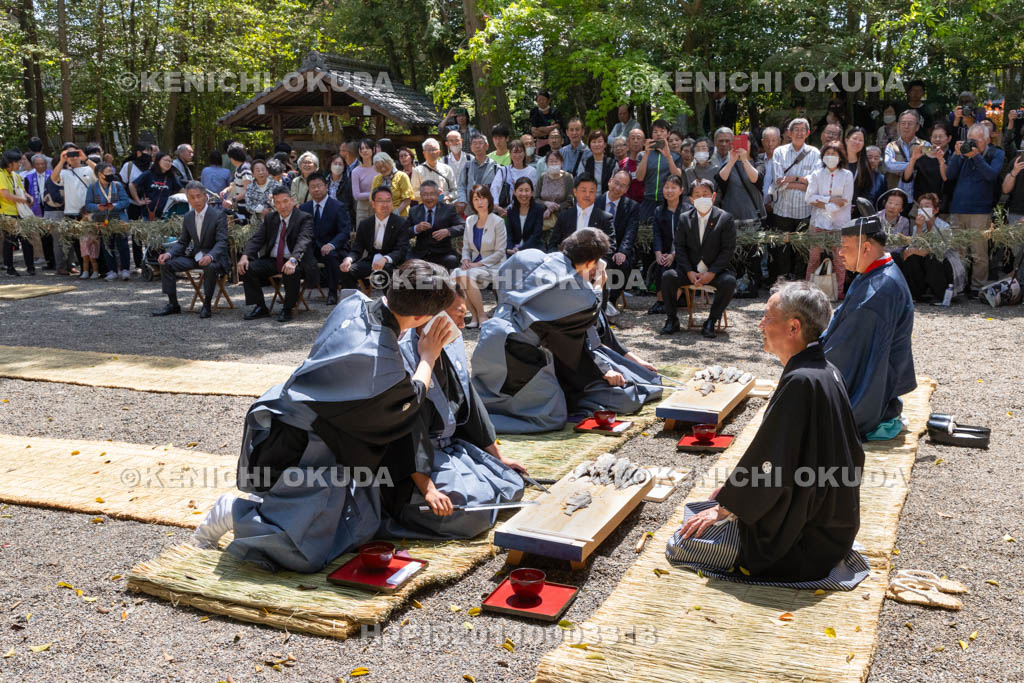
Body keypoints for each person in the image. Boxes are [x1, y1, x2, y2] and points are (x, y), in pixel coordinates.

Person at [191, 261, 457, 571]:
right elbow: (407, 403)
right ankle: (233, 512)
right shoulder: (377, 358)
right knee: (303, 553)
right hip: (302, 441)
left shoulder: (355, 303)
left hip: (304, 422)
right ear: (421, 317)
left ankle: (268, 513)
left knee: (356, 525)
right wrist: (428, 356)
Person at [667, 281, 865, 584]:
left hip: (797, 544)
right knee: (701, 511)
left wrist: (725, 510)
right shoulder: (826, 370)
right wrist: (728, 499)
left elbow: (771, 465)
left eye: (767, 317)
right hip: (832, 528)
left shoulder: (801, 381)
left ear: (793, 327)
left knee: (680, 543)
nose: (760, 324)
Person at [471, 228, 661, 433]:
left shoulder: (529, 256)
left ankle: (477, 414)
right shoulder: (581, 293)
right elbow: (588, 312)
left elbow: (502, 283)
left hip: (491, 338)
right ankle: (474, 426)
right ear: (591, 262)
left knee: (496, 396)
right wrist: (597, 286)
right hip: (518, 353)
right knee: (550, 418)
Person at [381, 284, 527, 539]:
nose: (462, 326)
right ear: (433, 314)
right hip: (412, 462)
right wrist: (427, 489)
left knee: (512, 485)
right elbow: (404, 428)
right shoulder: (400, 353)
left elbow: (470, 401)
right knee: (470, 514)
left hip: (449, 449)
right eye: (459, 315)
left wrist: (498, 457)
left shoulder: (452, 342)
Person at [821, 215, 916, 440]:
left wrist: (812, 355)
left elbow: (847, 349)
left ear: (866, 247)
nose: (840, 253)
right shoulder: (877, 271)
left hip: (878, 378)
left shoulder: (879, 290)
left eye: (845, 247)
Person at [660, 178, 737, 337]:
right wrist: (688, 271)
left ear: (713, 196)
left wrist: (712, 272)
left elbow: (727, 250)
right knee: (668, 276)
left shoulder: (725, 219)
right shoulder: (684, 218)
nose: (702, 198)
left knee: (729, 282)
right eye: (697, 194)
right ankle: (672, 319)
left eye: (705, 194)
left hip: (715, 272)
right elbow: (679, 247)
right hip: (690, 271)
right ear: (691, 199)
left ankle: (711, 321)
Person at [152, 181, 230, 318]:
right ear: (188, 199)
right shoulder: (188, 217)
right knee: (166, 264)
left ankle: (207, 305)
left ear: (205, 196)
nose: (196, 200)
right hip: (196, 256)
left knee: (210, 266)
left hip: (216, 258)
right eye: (192, 197)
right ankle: (173, 304)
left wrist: (211, 256)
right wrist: (169, 254)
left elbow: (222, 242)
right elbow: (182, 242)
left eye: (199, 196)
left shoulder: (218, 215)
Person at [238, 186, 315, 323]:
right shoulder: (270, 218)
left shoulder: (304, 217)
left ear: (291, 200)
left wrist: (293, 259)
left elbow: (304, 241)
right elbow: (257, 239)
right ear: (274, 204)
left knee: (290, 270)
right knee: (246, 268)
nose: (282, 206)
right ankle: (260, 307)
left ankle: (288, 308)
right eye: (278, 203)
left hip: (296, 260)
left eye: (285, 201)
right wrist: (245, 256)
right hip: (273, 260)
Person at [946, 123, 1004, 291]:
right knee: (959, 252)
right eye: (970, 140)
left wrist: (976, 156)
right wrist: (957, 155)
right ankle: (959, 286)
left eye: (977, 140)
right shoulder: (963, 154)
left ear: (986, 139)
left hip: (980, 211)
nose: (973, 143)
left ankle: (978, 288)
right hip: (958, 209)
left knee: (979, 253)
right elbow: (949, 175)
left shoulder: (996, 153)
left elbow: (991, 175)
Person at [769, 118, 820, 281]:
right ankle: (782, 281)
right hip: (782, 208)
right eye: (795, 129)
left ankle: (799, 282)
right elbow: (779, 180)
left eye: (802, 129)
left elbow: (814, 182)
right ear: (789, 133)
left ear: (808, 133)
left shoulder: (815, 153)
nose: (799, 132)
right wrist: (802, 181)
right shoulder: (779, 152)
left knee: (802, 248)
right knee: (782, 248)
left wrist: (792, 179)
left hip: (805, 209)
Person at [804, 142, 854, 298]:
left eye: (834, 154)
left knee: (840, 259)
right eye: (828, 153)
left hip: (839, 223)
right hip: (818, 222)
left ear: (840, 157)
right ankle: (808, 291)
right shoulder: (816, 174)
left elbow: (845, 200)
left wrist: (822, 203)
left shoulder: (847, 175)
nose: (831, 157)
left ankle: (838, 291)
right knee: (813, 258)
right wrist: (830, 199)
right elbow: (809, 198)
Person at [453, 185, 507, 328]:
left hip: (494, 265)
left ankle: (482, 315)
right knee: (457, 274)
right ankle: (475, 316)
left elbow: (500, 252)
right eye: (476, 199)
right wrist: (465, 260)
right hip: (473, 265)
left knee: (467, 275)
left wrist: (478, 264)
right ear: (472, 202)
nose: (480, 202)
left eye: (482, 198)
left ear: (489, 200)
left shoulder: (497, 221)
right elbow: (466, 247)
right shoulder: (470, 220)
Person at [340, 186, 410, 291]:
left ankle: (390, 303)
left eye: (388, 201)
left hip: (393, 263)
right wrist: (348, 259)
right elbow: (357, 249)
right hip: (372, 261)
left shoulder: (401, 223)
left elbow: (402, 250)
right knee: (347, 269)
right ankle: (353, 301)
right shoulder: (365, 224)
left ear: (392, 203)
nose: (385, 204)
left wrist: (386, 259)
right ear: (373, 204)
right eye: (380, 201)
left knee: (385, 269)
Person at [898, 193, 966, 302]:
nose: (923, 209)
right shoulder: (917, 226)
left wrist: (921, 251)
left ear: (935, 210)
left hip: (944, 263)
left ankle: (939, 294)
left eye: (927, 206)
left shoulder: (944, 227)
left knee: (934, 258)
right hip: (924, 260)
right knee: (911, 258)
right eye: (921, 206)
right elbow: (914, 246)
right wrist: (919, 228)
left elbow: (941, 249)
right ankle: (918, 294)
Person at [299, 174, 350, 305]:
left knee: (331, 256)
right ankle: (295, 295)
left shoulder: (338, 206)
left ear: (326, 187)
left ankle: (332, 293)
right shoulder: (304, 208)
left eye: (319, 186)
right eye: (313, 187)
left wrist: (331, 245)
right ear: (309, 189)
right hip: (312, 249)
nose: (316, 190)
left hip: (333, 248)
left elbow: (344, 232)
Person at [595, 170, 639, 311]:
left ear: (626, 189)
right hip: (598, 248)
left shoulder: (632, 206)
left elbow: (630, 232)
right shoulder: (596, 202)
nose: (618, 188)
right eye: (616, 183)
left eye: (623, 186)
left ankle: (611, 300)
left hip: (619, 247)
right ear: (610, 181)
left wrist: (622, 251)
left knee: (623, 263)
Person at [83, 162, 132, 281]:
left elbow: (126, 201)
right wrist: (97, 207)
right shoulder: (93, 187)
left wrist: (114, 205)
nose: (111, 174)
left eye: (112, 172)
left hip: (119, 219)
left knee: (123, 245)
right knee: (107, 246)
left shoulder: (118, 185)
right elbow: (88, 204)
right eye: (108, 172)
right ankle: (112, 271)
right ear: (100, 174)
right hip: (102, 220)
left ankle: (125, 270)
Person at [647, 174, 687, 316]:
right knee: (660, 266)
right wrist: (658, 253)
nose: (669, 191)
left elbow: (685, 237)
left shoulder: (687, 210)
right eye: (666, 187)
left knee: (676, 267)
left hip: (683, 253)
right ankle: (660, 301)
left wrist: (674, 254)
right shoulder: (659, 210)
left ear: (681, 190)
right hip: (665, 251)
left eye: (673, 187)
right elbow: (656, 234)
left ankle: (670, 302)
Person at [408, 180, 465, 271]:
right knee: (405, 261)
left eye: (432, 194)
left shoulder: (448, 209)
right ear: (421, 196)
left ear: (438, 195)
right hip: (420, 253)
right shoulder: (414, 211)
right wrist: (416, 229)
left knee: (452, 260)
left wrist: (448, 231)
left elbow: (463, 225)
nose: (429, 197)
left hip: (443, 253)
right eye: (425, 194)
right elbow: (404, 232)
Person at [635, 119, 682, 227]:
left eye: (662, 131)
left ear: (668, 134)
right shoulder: (642, 155)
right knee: (646, 234)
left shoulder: (676, 156)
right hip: (648, 200)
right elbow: (639, 177)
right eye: (655, 131)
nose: (658, 134)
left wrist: (668, 156)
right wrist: (647, 153)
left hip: (667, 201)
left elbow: (677, 177)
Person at [902, 121, 953, 212]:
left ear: (949, 138)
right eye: (934, 136)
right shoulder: (921, 155)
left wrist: (941, 160)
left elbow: (947, 179)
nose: (937, 139)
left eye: (941, 136)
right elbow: (906, 178)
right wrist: (913, 159)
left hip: (941, 204)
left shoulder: (951, 157)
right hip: (920, 202)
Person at [0, 150, 35, 276]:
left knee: (27, 239)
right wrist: (23, 200)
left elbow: (22, 190)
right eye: (17, 161)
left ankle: (30, 266)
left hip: (21, 212)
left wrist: (29, 197)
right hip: (7, 213)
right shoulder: (1, 175)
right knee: (10, 241)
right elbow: (5, 195)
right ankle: (10, 267)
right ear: (9, 163)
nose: (20, 164)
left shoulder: (14, 175)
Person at [489, 140, 537, 217]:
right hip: (505, 210)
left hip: (527, 211)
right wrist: (497, 206)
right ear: (510, 154)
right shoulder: (503, 171)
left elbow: (534, 192)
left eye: (520, 152)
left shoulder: (532, 171)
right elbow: (494, 188)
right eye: (515, 152)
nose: (518, 155)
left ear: (524, 153)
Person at [129, 152, 181, 220]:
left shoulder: (171, 176)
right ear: (158, 161)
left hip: (165, 215)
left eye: (170, 161)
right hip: (148, 214)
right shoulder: (148, 174)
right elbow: (132, 185)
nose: (168, 163)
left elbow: (181, 189)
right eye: (166, 160)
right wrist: (138, 201)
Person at [883, 110, 925, 193]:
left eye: (910, 123)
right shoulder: (891, 146)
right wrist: (914, 165)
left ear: (917, 127)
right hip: (895, 195)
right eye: (903, 123)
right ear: (898, 125)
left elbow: (927, 166)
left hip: (917, 195)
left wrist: (899, 166)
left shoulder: (925, 145)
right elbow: (889, 165)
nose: (906, 126)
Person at [456, 133, 499, 215]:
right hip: (471, 210)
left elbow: (499, 189)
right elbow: (461, 186)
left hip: (490, 210)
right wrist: (463, 201)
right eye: (474, 144)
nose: (477, 146)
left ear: (486, 146)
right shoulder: (467, 167)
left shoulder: (495, 167)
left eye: (480, 143)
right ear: (471, 148)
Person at [535, 150, 575, 234]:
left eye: (556, 161)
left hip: (562, 218)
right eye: (551, 161)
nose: (554, 164)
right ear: (546, 163)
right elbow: (536, 198)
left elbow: (570, 201)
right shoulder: (542, 177)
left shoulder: (568, 177)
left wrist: (551, 209)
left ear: (561, 163)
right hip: (543, 218)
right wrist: (546, 203)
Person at [845, 127, 886, 209]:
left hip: (855, 212)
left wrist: (856, 207)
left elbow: (867, 192)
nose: (857, 142)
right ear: (846, 140)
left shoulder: (864, 165)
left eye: (861, 140)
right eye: (854, 138)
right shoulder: (837, 160)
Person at [505, 177, 546, 254]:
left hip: (533, 249)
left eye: (527, 190)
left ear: (532, 192)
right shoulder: (510, 210)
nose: (524, 194)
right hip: (514, 249)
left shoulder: (539, 209)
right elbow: (509, 234)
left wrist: (521, 249)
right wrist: (509, 248)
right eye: (520, 190)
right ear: (514, 192)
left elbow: (536, 235)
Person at [411, 138, 457, 204]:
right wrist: (429, 194)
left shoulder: (447, 169)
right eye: (429, 150)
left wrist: (448, 197)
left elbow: (455, 190)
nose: (431, 152)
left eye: (434, 150)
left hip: (445, 206)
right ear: (424, 153)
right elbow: (413, 193)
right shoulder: (417, 171)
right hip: (426, 208)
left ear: (439, 152)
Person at [370, 152, 414, 218]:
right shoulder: (376, 179)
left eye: (384, 165)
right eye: (379, 167)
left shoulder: (402, 176)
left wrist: (396, 213)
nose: (383, 169)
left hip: (400, 215)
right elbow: (372, 199)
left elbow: (407, 199)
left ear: (390, 162)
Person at [529, 90, 565, 158]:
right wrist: (550, 129)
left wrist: (542, 129)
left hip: (555, 141)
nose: (541, 102)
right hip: (541, 143)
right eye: (539, 100)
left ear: (548, 100)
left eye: (543, 99)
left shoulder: (555, 112)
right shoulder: (534, 112)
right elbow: (534, 132)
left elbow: (558, 126)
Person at [220, 143, 252, 212]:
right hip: (241, 205)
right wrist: (226, 190)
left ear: (232, 157)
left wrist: (232, 199)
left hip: (247, 207)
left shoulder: (245, 169)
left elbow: (247, 191)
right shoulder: (239, 168)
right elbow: (236, 183)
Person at [352, 138, 377, 225]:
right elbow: (356, 195)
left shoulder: (379, 168)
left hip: (378, 207)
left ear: (373, 150)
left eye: (367, 148)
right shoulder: (355, 171)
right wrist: (374, 193)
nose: (364, 150)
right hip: (363, 209)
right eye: (362, 148)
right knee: (362, 236)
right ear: (359, 151)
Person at [583, 130, 616, 195]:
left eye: (600, 141)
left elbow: (614, 185)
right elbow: (580, 183)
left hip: (607, 199)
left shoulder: (612, 164)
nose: (597, 144)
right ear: (589, 145)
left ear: (605, 144)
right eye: (594, 142)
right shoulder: (584, 163)